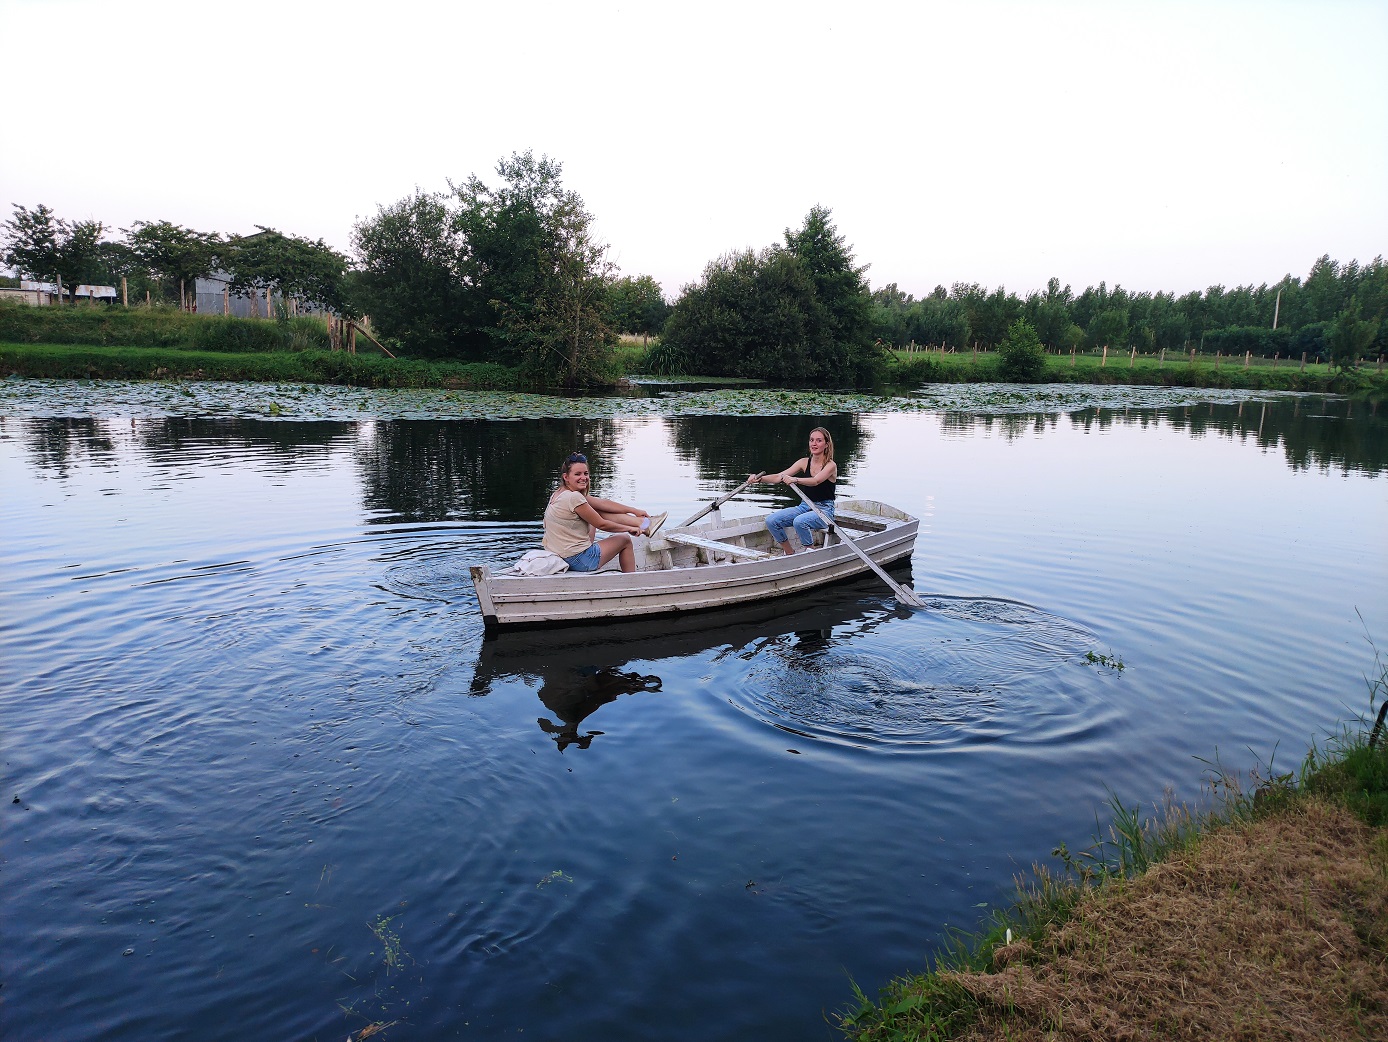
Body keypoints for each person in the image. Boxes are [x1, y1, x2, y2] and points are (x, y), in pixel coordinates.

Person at [543, 452, 667, 574]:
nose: (584, 477)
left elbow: (602, 503)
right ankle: (631, 583)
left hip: (561, 554)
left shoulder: (558, 493)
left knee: (594, 509)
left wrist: (634, 511)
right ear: (566, 477)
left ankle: (644, 524)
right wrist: (629, 529)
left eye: (586, 473)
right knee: (625, 540)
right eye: (577, 474)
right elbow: (602, 524)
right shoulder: (574, 498)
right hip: (579, 560)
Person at [750, 427, 837, 555]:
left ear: (826, 444)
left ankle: (811, 553)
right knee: (771, 521)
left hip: (824, 510)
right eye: (812, 440)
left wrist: (794, 480)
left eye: (819, 441)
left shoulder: (831, 465)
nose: (814, 444)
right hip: (804, 506)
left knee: (800, 522)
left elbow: (816, 481)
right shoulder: (803, 462)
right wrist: (759, 479)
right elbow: (779, 476)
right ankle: (790, 553)